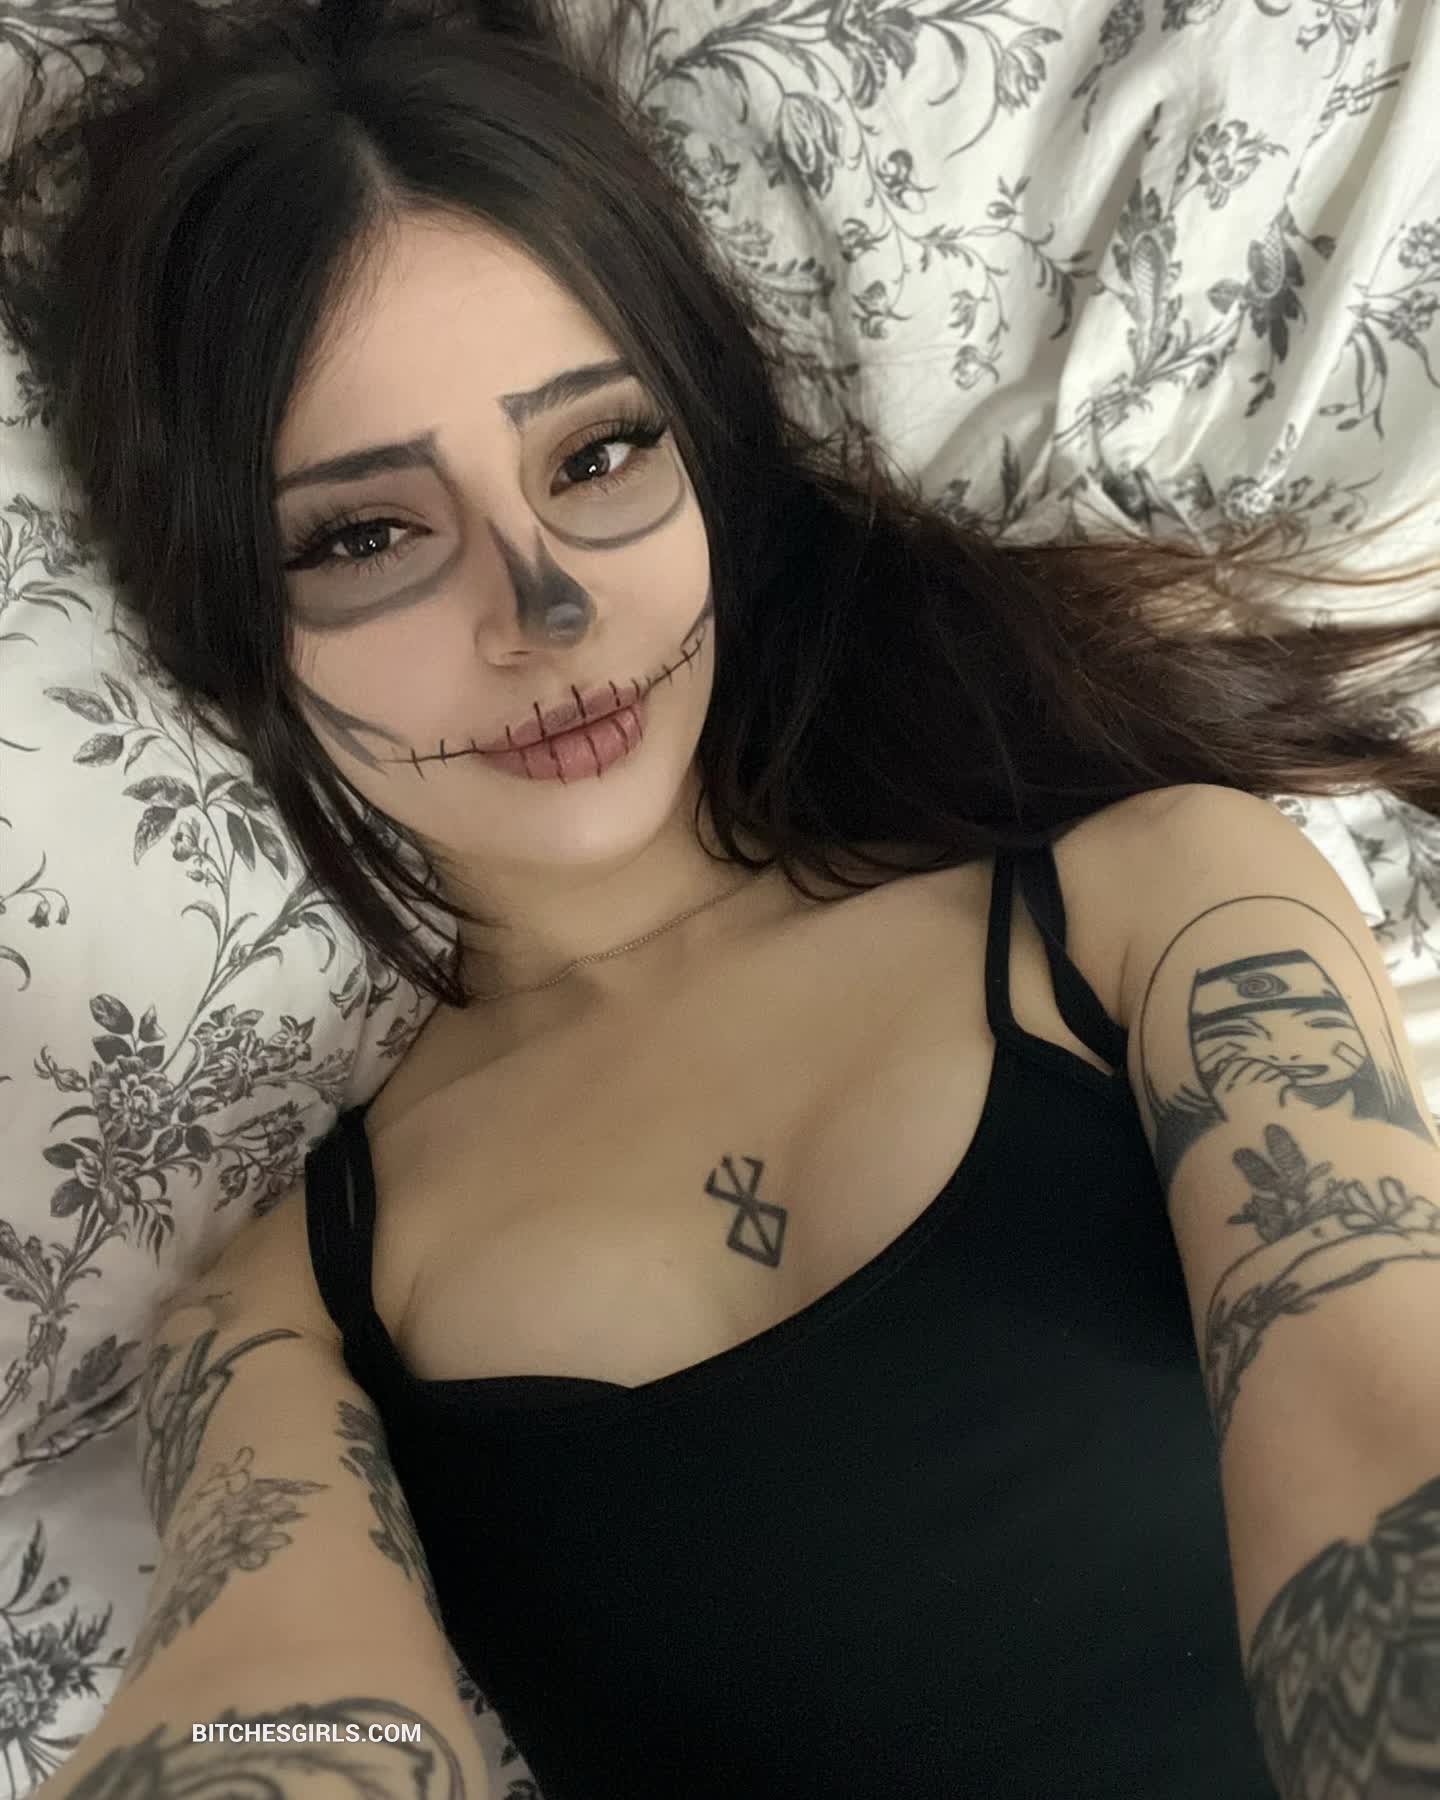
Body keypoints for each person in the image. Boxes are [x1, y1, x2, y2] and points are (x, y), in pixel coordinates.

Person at [4, 1, 1440, 1795]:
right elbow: (282, 1705)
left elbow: (1377, 1379)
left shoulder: (1159, 907)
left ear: (708, 455)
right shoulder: (280, 1308)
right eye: (367, 535)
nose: (547, 609)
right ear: (232, 626)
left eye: (596, 453)